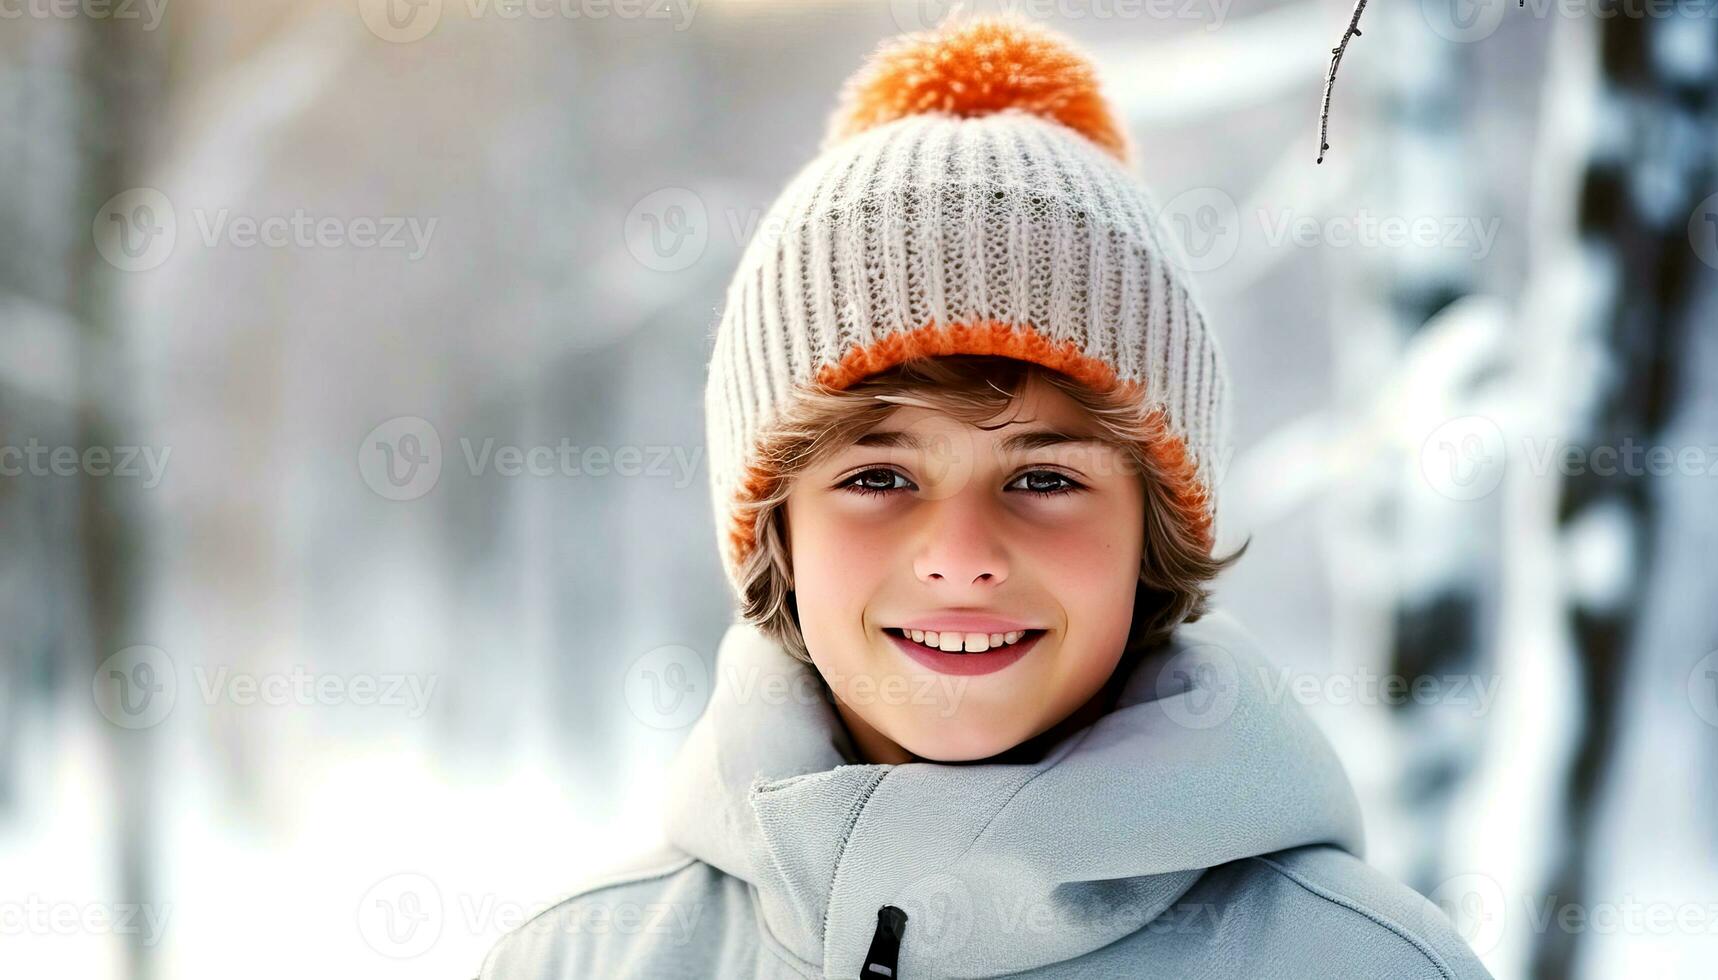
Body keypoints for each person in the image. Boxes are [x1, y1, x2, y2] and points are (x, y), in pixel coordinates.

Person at [479, 12, 1494, 979]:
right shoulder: (583, 957)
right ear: (773, 525)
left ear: (1156, 528)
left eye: (1045, 477)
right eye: (878, 476)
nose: (961, 552)